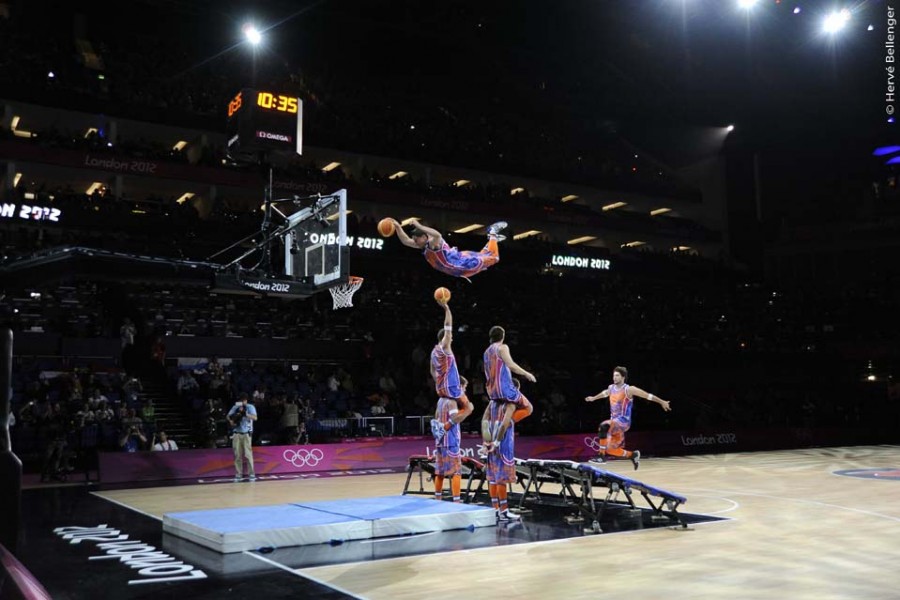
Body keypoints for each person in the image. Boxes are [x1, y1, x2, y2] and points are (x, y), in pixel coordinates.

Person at [481, 326, 536, 522]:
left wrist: (487, 439)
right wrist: (527, 374)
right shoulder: (501, 347)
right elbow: (511, 365)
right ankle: (503, 511)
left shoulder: (486, 352)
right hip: (502, 418)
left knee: (493, 473)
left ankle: (496, 508)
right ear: (502, 337)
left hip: (493, 401)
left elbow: (484, 420)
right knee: (502, 472)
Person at [584, 366, 672, 470]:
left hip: (624, 422)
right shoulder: (611, 388)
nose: (614, 377)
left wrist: (662, 402)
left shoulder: (629, 389)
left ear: (623, 377)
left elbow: (647, 396)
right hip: (614, 423)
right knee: (611, 450)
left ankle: (601, 456)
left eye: (617, 375)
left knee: (603, 426)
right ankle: (633, 455)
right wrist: (593, 398)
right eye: (613, 375)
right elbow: (605, 393)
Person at [389, 217, 507, 280]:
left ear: (425, 237)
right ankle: (493, 239)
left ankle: (492, 234)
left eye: (416, 238)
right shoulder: (423, 245)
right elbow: (405, 241)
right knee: (485, 257)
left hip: (460, 262)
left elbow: (437, 235)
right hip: (458, 266)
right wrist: (398, 227)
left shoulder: (433, 243)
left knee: (493, 258)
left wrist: (419, 226)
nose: (414, 241)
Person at [432, 376, 474, 502]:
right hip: (450, 441)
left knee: (440, 471)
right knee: (456, 471)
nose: (464, 391)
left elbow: (436, 418)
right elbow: (455, 419)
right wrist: (468, 411)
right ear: (458, 386)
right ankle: (456, 500)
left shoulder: (440, 401)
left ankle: (438, 497)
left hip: (440, 442)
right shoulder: (451, 402)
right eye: (464, 387)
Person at [227, 393, 258, 482]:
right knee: (237, 455)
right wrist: (231, 421)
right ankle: (238, 474)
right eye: (240, 401)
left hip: (247, 434)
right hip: (236, 433)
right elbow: (228, 416)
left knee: (248, 455)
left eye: (243, 401)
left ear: (246, 400)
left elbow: (255, 418)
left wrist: (245, 414)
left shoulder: (250, 407)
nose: (241, 402)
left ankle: (251, 474)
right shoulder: (235, 406)